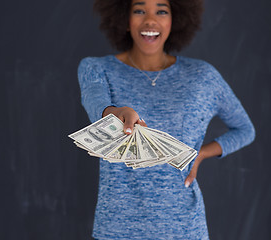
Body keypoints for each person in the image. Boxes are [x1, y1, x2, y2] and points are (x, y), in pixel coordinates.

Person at [78, 0, 255, 239]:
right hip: (117, 229)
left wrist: (200, 154)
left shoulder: (202, 77)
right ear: (124, 19)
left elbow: (245, 129)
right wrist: (114, 113)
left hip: (184, 228)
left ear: (175, 20)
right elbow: (94, 102)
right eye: (139, 10)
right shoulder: (96, 68)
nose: (150, 20)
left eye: (161, 11)